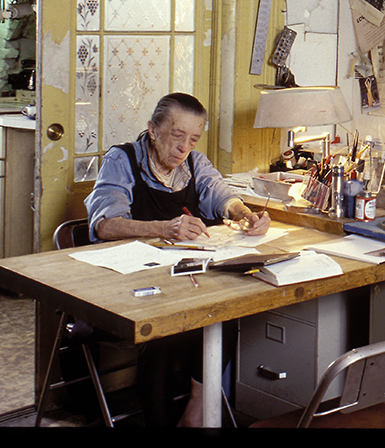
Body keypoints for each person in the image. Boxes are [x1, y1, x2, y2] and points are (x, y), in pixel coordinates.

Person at [84, 92, 269, 426]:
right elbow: (104, 224)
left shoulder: (194, 163)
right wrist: (162, 227)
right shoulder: (122, 160)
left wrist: (244, 214)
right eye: (177, 136)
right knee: (165, 333)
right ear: (153, 130)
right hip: (131, 280)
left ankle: (196, 412)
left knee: (224, 314)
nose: (184, 148)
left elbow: (221, 195)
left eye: (193, 139)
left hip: (184, 276)